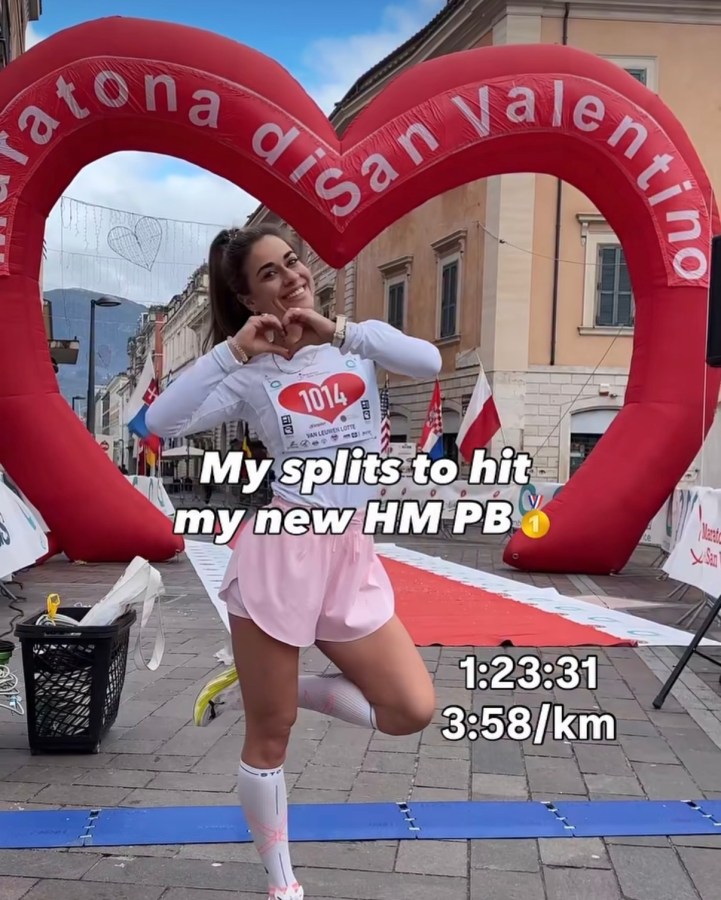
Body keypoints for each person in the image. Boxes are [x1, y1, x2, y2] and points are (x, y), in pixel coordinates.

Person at [145, 223, 442, 900]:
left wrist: (338, 331)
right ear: (249, 299)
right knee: (269, 738)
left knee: (409, 709)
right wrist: (231, 354)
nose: (292, 276)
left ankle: (278, 689)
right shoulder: (247, 369)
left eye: (291, 262)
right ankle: (283, 884)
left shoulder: (355, 343)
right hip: (282, 551)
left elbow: (427, 362)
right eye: (271, 274)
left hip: (349, 551)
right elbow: (160, 422)